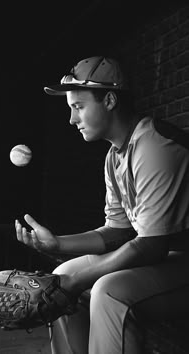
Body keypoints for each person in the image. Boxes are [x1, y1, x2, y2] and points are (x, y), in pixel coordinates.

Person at [15, 56, 189, 354]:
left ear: (109, 100)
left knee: (109, 292)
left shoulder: (154, 146)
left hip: (179, 260)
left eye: (78, 107)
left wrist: (78, 282)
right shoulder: (114, 156)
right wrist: (57, 245)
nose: (72, 119)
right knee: (59, 279)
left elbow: (151, 246)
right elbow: (118, 233)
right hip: (165, 260)